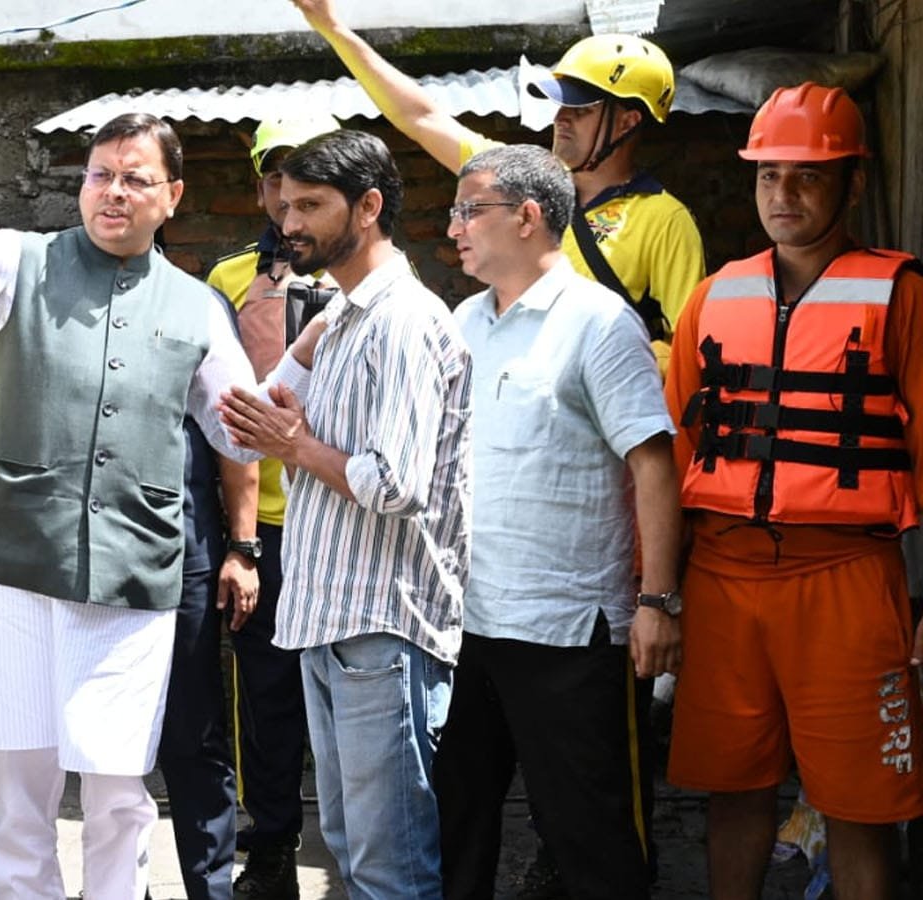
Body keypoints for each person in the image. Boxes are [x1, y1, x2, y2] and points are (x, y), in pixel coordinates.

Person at [0, 111, 262, 900]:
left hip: (130, 577)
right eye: (100, 175)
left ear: (172, 196)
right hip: (15, 569)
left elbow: (236, 427)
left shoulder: (197, 306)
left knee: (116, 791)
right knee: (18, 787)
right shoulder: (22, 262)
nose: (113, 192)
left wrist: (282, 416)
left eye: (135, 178)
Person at [664, 83, 923, 900]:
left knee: (858, 807)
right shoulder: (713, 295)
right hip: (723, 579)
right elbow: (675, 454)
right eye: (769, 174)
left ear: (852, 184)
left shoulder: (903, 294)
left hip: (848, 578)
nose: (784, 194)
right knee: (731, 789)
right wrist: (656, 595)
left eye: (808, 176)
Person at [220, 128, 472, 899]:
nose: (289, 222)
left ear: (367, 207)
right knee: (353, 853)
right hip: (330, 620)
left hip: (384, 628)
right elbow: (248, 420)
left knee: (388, 868)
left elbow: (396, 483)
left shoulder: (401, 320)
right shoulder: (341, 317)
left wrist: (297, 447)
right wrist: (305, 346)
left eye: (311, 206)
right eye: (285, 204)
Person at [434, 143, 683, 899]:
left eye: (469, 210)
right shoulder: (464, 321)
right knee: (455, 827)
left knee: (594, 839)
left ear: (528, 217)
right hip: (468, 626)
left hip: (571, 634)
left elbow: (654, 465)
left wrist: (657, 601)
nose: (454, 229)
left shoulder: (599, 323)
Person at [288, 0, 703, 373]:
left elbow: (689, 347)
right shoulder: (518, 178)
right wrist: (332, 28)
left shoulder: (663, 219)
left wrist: (608, 358)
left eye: (581, 109)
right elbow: (421, 117)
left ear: (628, 122)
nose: (561, 117)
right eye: (561, 103)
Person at [205, 113, 340, 900]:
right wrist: (240, 540)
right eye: (277, 174)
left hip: (345, 520)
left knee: (349, 695)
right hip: (266, 526)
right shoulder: (227, 279)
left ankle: (361, 853)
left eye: (308, 175)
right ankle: (273, 846)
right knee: (264, 699)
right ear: (261, 186)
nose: (289, 191)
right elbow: (215, 409)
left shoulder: (370, 279)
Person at [158, 359, 261, 900]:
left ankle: (211, 889)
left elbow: (235, 433)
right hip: (93, 558)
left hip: (184, 551)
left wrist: (242, 546)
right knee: (103, 747)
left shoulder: (197, 318)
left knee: (193, 733)